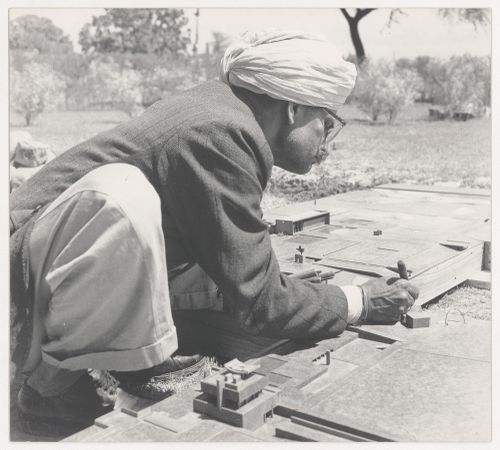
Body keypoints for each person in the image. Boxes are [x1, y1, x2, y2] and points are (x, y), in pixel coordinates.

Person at [10, 30, 419, 430]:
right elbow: (265, 303)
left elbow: (237, 262)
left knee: (201, 242)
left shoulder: (221, 111)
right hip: (19, 287)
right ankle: (51, 389)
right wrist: (359, 301)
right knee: (124, 197)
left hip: (41, 262)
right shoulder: (221, 133)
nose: (328, 143)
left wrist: (274, 287)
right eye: (327, 124)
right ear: (293, 108)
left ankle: (121, 357)